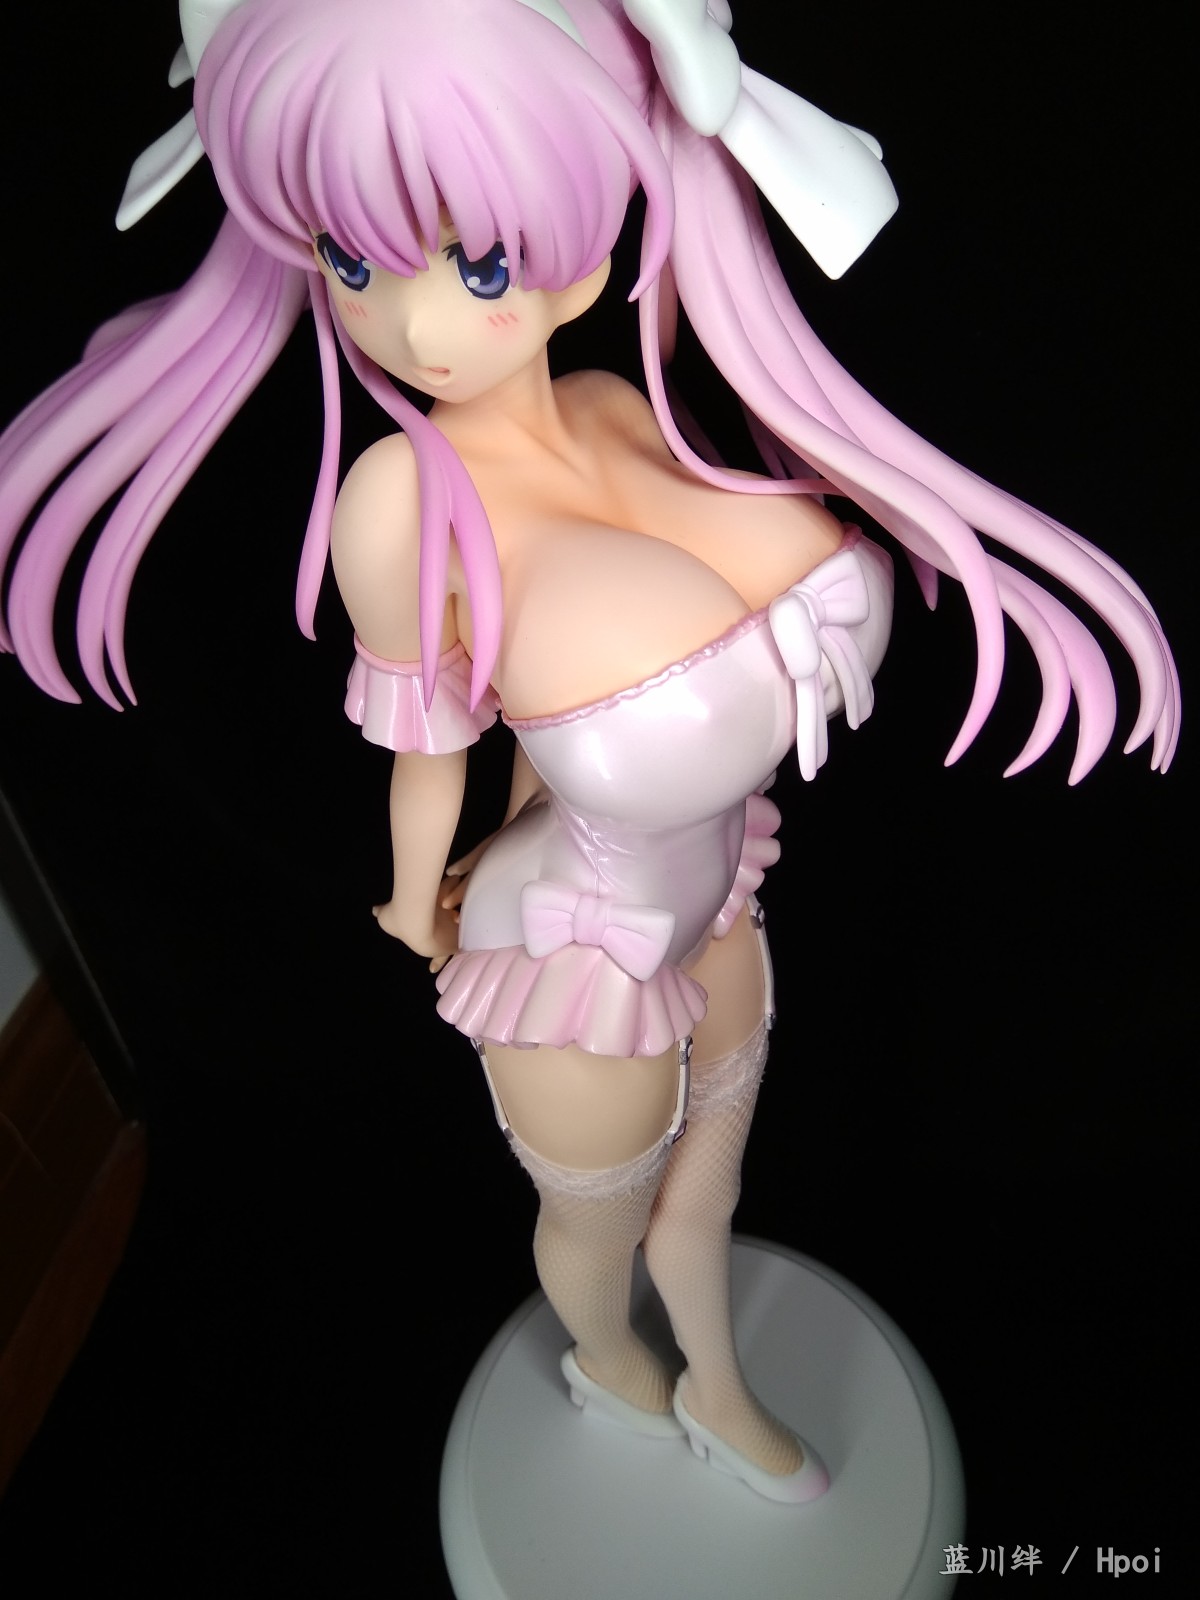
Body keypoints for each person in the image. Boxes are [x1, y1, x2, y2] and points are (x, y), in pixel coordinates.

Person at [0, 0, 1178, 1504]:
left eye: (477, 262)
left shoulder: (620, 407)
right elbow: (432, 739)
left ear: (587, 251)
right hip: (575, 950)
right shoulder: (398, 501)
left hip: (717, 887)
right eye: (353, 259)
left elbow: (541, 713)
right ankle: (615, 1366)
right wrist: (413, 898)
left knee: (711, 1190)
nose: (413, 323)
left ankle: (720, 1392)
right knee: (601, 1226)